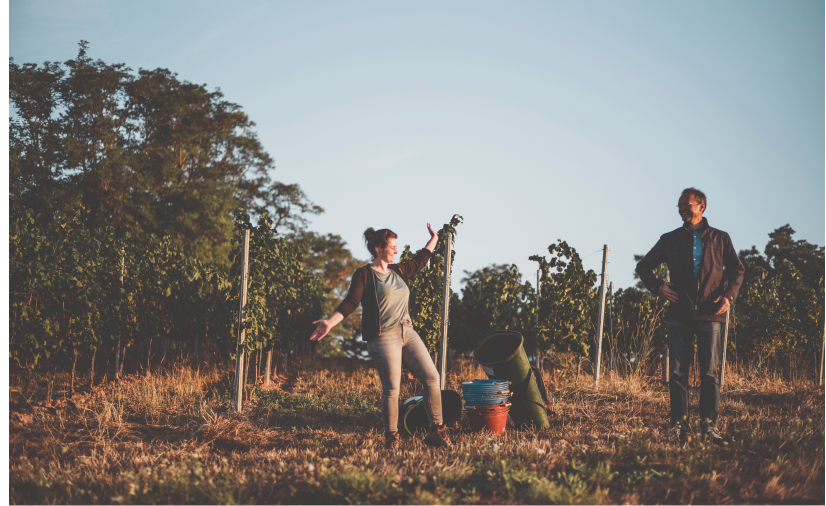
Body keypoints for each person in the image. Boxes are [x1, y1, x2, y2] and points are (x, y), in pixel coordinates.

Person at [309, 224, 449, 450]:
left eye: (396, 246)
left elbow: (422, 259)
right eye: (392, 247)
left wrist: (435, 238)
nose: (396, 251)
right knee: (392, 387)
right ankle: (391, 438)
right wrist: (330, 323)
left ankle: (437, 432)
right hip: (383, 336)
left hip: (407, 331)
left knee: (432, 378)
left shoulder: (400, 270)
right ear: (378, 249)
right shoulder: (364, 274)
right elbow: (351, 302)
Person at [636, 188, 744, 446]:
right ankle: (678, 426)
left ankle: (709, 426)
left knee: (709, 373)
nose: (682, 209)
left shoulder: (721, 238)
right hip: (679, 314)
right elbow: (643, 266)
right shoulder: (670, 239)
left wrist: (729, 297)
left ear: (702, 206)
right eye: (679, 205)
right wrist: (659, 287)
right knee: (677, 373)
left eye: (687, 204)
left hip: (711, 314)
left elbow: (737, 271)